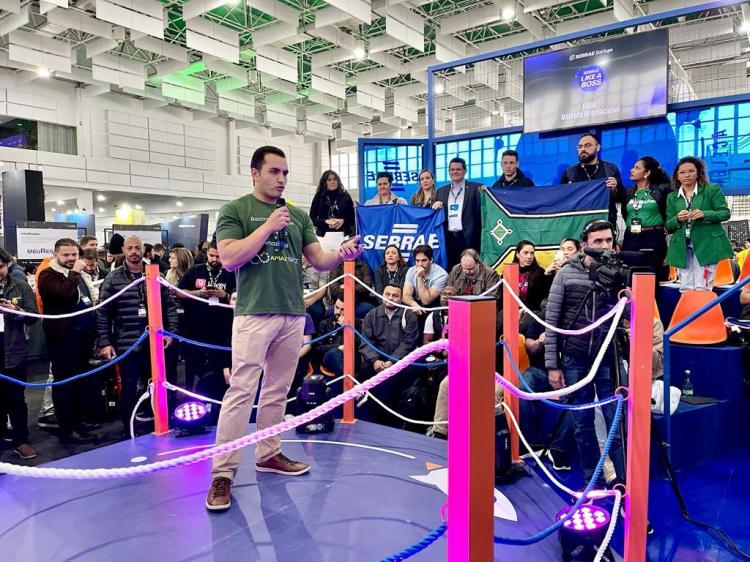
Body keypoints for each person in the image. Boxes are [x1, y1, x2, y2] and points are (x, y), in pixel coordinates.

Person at [205, 145, 364, 512]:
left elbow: (319, 260)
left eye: (285, 173)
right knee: (241, 391)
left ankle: (269, 453)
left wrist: (342, 254)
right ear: (255, 173)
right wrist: (267, 226)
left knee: (277, 390)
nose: (281, 179)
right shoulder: (236, 210)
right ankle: (223, 473)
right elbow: (228, 258)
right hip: (254, 312)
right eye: (274, 172)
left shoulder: (297, 215)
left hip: (293, 312)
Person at [544, 219, 625, 486]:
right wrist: (552, 365)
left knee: (616, 421)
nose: (604, 246)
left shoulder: (619, 272)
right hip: (574, 359)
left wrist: (628, 296)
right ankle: (592, 480)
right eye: (598, 241)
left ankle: (623, 482)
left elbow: (629, 317)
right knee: (582, 423)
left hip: (607, 357)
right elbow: (552, 321)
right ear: (584, 245)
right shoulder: (566, 273)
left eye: (608, 240)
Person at [96, 235, 179, 434]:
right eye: (130, 248)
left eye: (137, 248)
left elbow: (169, 307)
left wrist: (171, 333)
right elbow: (103, 312)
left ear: (143, 250)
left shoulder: (155, 274)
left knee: (156, 383)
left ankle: (158, 422)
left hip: (155, 341)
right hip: (127, 342)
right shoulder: (113, 278)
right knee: (129, 385)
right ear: (123, 250)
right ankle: (128, 426)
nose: (134, 252)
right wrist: (105, 342)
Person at [38, 239, 98, 444]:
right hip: (62, 339)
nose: (71, 258)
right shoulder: (48, 275)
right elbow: (64, 294)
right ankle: (67, 429)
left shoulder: (79, 275)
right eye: (66, 255)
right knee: (65, 384)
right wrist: (75, 273)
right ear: (55, 254)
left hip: (83, 336)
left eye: (74, 254)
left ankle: (79, 422)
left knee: (81, 382)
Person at [666, 157, 733, 291]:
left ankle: (704, 305)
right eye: (682, 172)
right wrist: (677, 219)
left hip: (706, 244)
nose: (687, 175)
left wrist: (705, 214)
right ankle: (689, 305)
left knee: (702, 286)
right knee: (685, 287)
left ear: (698, 173)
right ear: (677, 176)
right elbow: (668, 225)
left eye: (691, 171)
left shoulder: (711, 189)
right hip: (682, 246)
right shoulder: (672, 197)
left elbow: (725, 213)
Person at [177, 242, 236, 391]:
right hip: (196, 329)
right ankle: (189, 394)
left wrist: (225, 295)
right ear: (207, 254)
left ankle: (217, 397)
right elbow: (178, 292)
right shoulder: (195, 270)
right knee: (192, 365)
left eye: (218, 256)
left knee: (220, 367)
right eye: (211, 256)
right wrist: (197, 293)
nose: (214, 259)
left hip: (223, 331)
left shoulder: (232, 272)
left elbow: (241, 299)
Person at [358, 284, 419, 426]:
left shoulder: (409, 315)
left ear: (401, 298)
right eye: (387, 294)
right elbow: (366, 342)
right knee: (365, 370)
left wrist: (392, 362)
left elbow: (408, 343)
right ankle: (369, 417)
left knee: (390, 382)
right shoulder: (371, 315)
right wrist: (374, 360)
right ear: (382, 295)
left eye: (395, 296)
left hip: (400, 360)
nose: (390, 298)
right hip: (377, 359)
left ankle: (390, 422)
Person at [0, 248, 38, 459]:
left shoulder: (21, 286)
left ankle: (21, 440)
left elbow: (34, 317)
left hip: (14, 351)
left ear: (7, 265)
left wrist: (15, 312)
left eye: (0, 266)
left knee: (16, 399)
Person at [621, 156, 673, 280]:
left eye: (637, 168)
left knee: (652, 272)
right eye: (633, 167)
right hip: (631, 235)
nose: (632, 170)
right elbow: (624, 213)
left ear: (647, 173)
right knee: (630, 272)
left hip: (653, 236)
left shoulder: (662, 190)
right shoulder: (628, 191)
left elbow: (669, 211)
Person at [560, 132, 624, 227]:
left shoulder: (610, 169)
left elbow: (621, 197)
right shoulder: (569, 173)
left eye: (587, 145)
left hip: (605, 224)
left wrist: (615, 189)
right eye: (580, 147)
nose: (583, 149)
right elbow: (562, 201)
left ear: (598, 147)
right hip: (577, 224)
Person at [436, 157, 483, 268]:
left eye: (458, 169)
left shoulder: (476, 188)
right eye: (452, 169)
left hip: (469, 238)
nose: (455, 172)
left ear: (465, 171)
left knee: (470, 268)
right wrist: (434, 204)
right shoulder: (441, 191)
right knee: (451, 270)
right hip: (448, 238)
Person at [402, 245, 449, 316]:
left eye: (424, 260)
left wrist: (419, 278)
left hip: (433, 307)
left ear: (431, 260)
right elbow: (405, 296)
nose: (420, 264)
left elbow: (426, 301)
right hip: (416, 303)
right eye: (417, 261)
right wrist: (414, 304)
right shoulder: (411, 271)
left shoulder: (441, 274)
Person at [309, 170, 356, 237]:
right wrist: (325, 221)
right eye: (329, 180)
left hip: (343, 234)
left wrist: (343, 221)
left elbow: (352, 219)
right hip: (323, 235)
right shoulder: (319, 197)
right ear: (324, 182)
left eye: (334, 179)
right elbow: (311, 220)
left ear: (338, 181)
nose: (332, 182)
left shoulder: (345, 196)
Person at [512, 240, 551, 313]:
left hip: (531, 311)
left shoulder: (539, 272)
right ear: (517, 254)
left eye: (532, 253)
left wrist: (524, 310)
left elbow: (539, 299)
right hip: (511, 309)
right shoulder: (509, 271)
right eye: (525, 253)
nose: (529, 256)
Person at [302, 255, 329, 330]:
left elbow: (322, 289)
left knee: (317, 311)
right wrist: (302, 268)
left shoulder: (321, 267)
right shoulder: (294, 266)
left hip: (314, 298)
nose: (304, 257)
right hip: (297, 298)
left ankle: (314, 335)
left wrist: (311, 300)